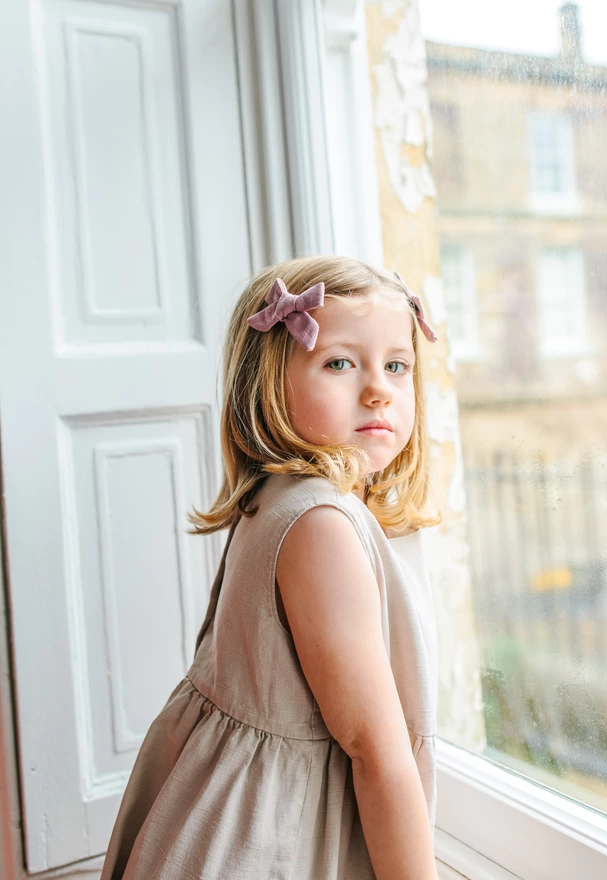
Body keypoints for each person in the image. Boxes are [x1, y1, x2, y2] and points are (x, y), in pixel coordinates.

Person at [100, 256, 443, 880]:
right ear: (267, 384)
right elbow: (377, 753)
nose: (379, 389)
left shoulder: (281, 496)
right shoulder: (321, 527)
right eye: (340, 363)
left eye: (397, 365)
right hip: (266, 842)